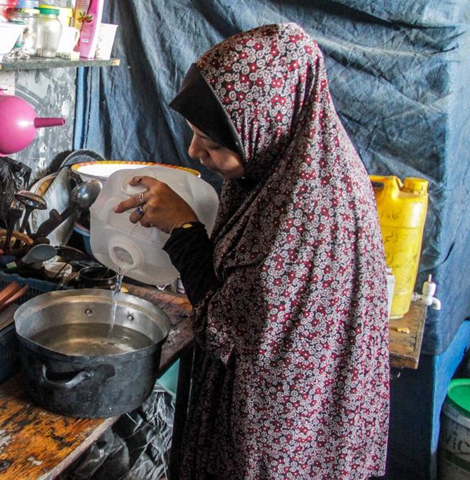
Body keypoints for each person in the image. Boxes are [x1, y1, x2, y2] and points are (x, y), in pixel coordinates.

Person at [114, 23, 389, 479]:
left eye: (214, 143)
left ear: (268, 126)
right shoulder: (303, 161)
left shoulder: (305, 213)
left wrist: (183, 228)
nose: (193, 150)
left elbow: (227, 331)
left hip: (280, 434)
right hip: (312, 414)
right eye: (193, 131)